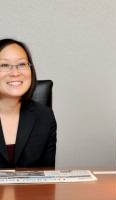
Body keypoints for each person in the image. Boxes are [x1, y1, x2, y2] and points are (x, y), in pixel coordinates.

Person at [0, 38, 57, 168]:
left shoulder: (44, 116)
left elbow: (47, 177)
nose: (15, 73)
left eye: (21, 64)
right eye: (4, 65)